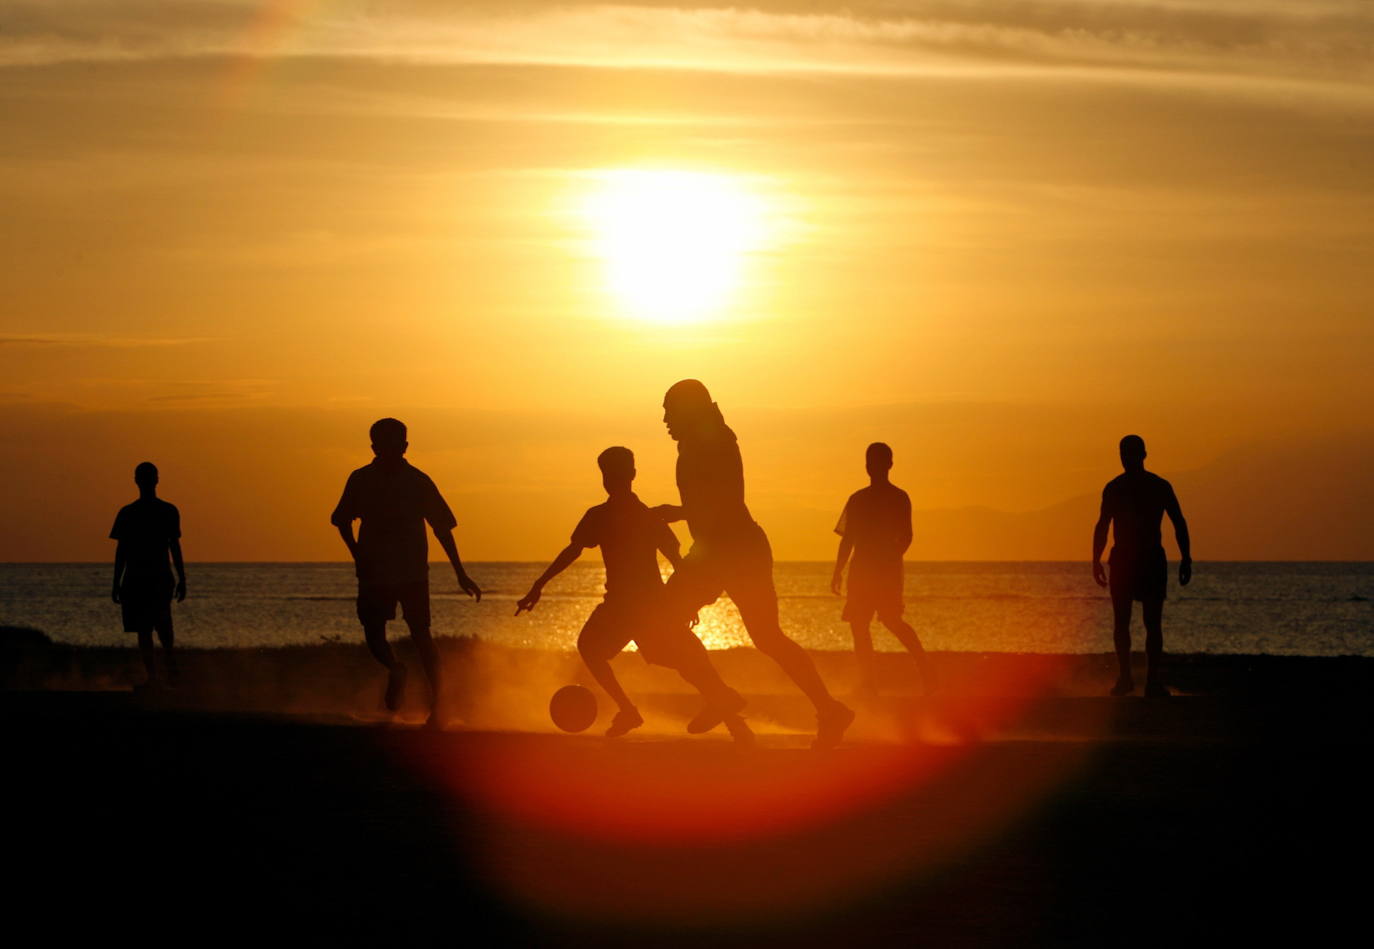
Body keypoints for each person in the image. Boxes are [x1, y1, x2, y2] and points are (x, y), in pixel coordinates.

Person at [653, 380, 854, 749]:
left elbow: (723, 502)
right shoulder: (704, 440)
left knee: (666, 623)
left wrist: (674, 513)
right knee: (764, 636)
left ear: (687, 409)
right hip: (728, 548)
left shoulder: (711, 441)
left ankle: (727, 698)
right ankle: (824, 709)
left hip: (728, 549)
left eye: (669, 410)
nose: (663, 419)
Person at [515, 447, 751, 743]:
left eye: (608, 474)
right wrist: (539, 584)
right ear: (633, 475)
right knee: (679, 659)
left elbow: (573, 552)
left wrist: (539, 584)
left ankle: (644, 709)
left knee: (600, 648)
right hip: (648, 606)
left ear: (607, 479)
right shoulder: (643, 516)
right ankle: (728, 712)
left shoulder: (612, 516)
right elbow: (675, 558)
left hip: (626, 607)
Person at [331, 418, 481, 725]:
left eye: (394, 444)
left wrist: (460, 572)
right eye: (385, 444)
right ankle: (398, 671)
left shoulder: (416, 481)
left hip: (406, 571)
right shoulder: (366, 479)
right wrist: (358, 554)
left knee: (417, 635)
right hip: (382, 570)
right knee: (383, 633)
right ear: (376, 447)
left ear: (404, 446)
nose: (390, 450)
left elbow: (442, 528)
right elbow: (341, 520)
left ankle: (437, 706)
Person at [1092, 434, 1192, 697]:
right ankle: (1127, 678)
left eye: (1131, 453)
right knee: (1123, 621)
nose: (1127, 459)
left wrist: (1186, 558)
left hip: (1148, 559)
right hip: (1126, 559)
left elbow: (1178, 522)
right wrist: (1095, 560)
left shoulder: (1156, 486)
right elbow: (1103, 525)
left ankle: (1150, 680)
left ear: (1143, 455)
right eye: (1124, 453)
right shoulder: (1116, 488)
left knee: (1151, 622)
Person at [831, 442, 931, 697]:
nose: (872, 467)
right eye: (870, 462)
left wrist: (889, 561)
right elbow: (848, 539)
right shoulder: (858, 499)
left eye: (875, 462)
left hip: (882, 570)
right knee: (860, 624)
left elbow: (906, 536)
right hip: (863, 569)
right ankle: (869, 682)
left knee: (891, 621)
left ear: (887, 465)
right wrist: (838, 571)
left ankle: (924, 666)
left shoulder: (898, 498)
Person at [110, 461, 186, 689]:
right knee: (150, 628)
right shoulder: (132, 512)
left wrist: (182, 577)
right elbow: (122, 550)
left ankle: (165, 673)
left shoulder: (162, 511)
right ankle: (157, 676)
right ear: (155, 480)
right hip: (143, 577)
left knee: (156, 627)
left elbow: (174, 546)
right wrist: (116, 582)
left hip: (153, 577)